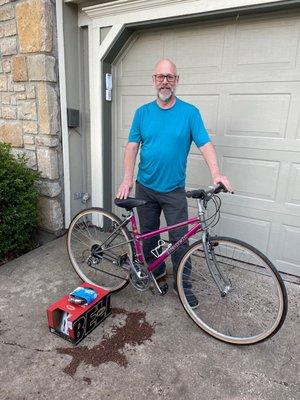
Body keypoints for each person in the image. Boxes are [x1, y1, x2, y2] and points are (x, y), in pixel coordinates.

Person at [117, 58, 233, 308]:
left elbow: (205, 144)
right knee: (148, 236)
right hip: (145, 187)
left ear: (177, 80)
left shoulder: (190, 113)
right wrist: (127, 179)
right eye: (160, 76)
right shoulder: (142, 113)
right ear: (154, 80)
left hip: (173, 191)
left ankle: (184, 285)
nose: (165, 81)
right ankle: (156, 274)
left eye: (170, 76)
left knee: (180, 239)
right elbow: (132, 147)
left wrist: (217, 174)